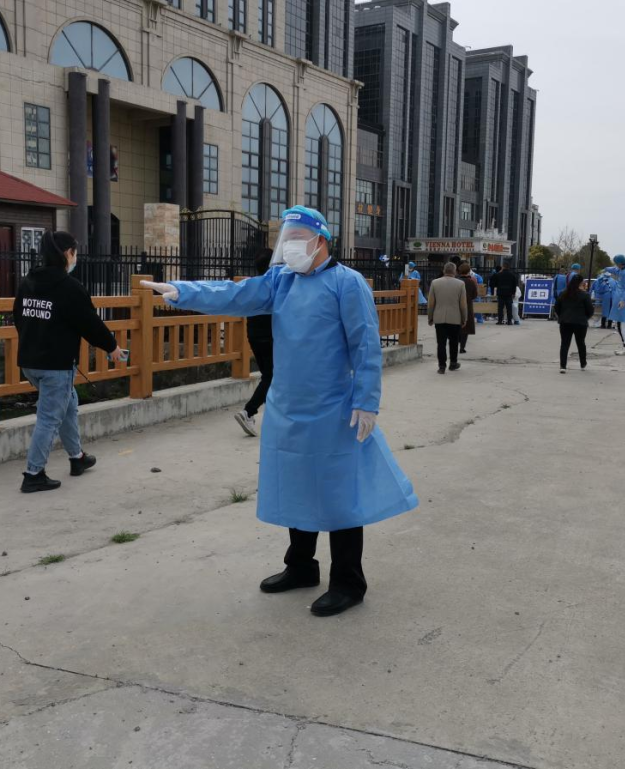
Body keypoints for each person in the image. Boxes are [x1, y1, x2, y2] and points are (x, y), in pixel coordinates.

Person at [142, 205, 418, 617]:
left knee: (338, 494)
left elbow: (365, 345)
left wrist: (366, 401)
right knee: (295, 485)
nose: (289, 248)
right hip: (288, 406)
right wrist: (184, 291)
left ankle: (348, 582)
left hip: (332, 408)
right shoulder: (281, 280)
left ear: (321, 241)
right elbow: (236, 295)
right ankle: (301, 567)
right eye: (285, 241)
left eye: (296, 240)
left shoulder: (347, 283)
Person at [14, 231, 124, 493]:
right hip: (56, 365)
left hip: (30, 362)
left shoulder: (28, 281)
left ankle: (77, 457)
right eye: (75, 252)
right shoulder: (69, 287)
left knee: (68, 403)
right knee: (49, 418)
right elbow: (90, 324)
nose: (76, 257)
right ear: (67, 253)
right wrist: (112, 346)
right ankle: (33, 474)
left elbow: (18, 317)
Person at [234, 248, 274, 436]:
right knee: (272, 377)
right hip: (271, 337)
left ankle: (264, 413)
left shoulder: (251, 284)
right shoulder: (275, 285)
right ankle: (248, 412)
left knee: (269, 376)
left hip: (254, 336)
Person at [427, 261, 468, 373]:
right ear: (455, 271)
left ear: (444, 270)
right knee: (454, 342)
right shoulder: (460, 284)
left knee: (441, 343)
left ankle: (441, 366)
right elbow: (463, 304)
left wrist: (430, 317)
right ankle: (453, 363)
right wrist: (464, 318)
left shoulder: (435, 283)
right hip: (455, 318)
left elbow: (431, 303)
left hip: (439, 317)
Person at [554, 273, 593, 373]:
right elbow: (590, 310)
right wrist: (585, 318)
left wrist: (562, 316)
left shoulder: (563, 293)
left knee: (564, 344)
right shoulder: (585, 295)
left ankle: (563, 366)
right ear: (580, 283)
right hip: (580, 322)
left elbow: (557, 307)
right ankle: (583, 364)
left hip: (565, 322)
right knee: (581, 343)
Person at [457, 261, 478, 353]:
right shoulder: (471, 282)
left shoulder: (456, 281)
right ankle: (462, 347)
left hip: (456, 305)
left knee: (456, 325)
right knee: (465, 328)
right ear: (469, 271)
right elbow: (475, 295)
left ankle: (456, 341)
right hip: (467, 305)